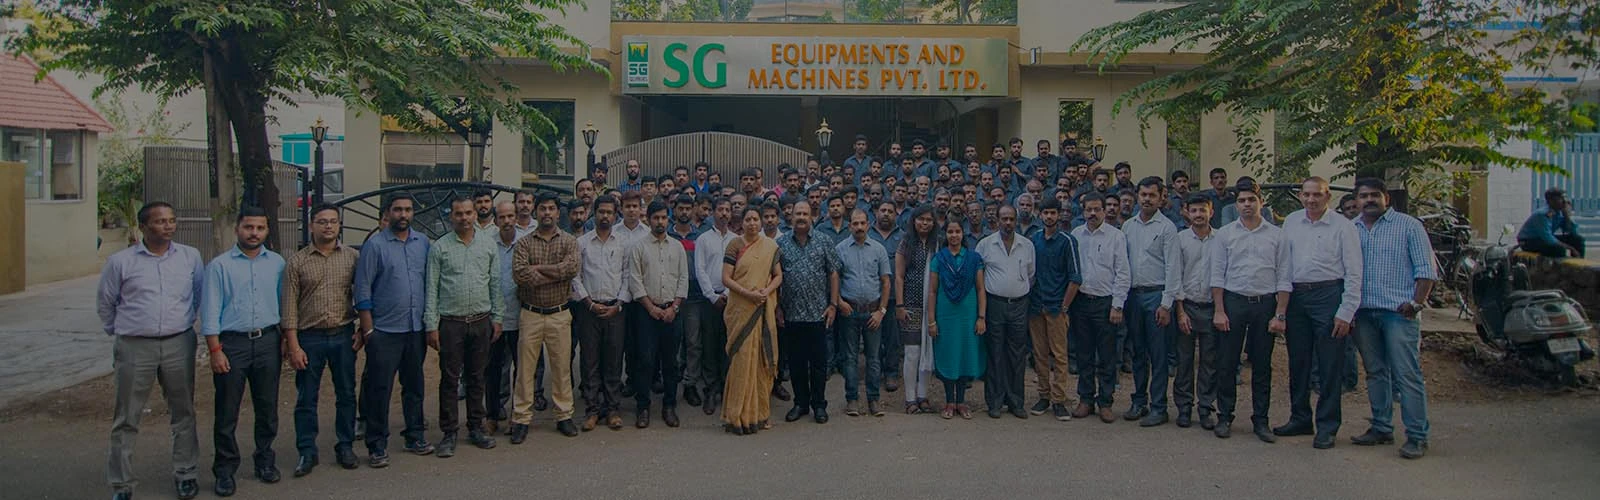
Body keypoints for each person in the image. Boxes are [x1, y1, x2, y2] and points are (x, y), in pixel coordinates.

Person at [100, 201, 205, 500]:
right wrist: (124, 331)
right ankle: (122, 484)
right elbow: (106, 303)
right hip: (135, 346)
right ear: (144, 226)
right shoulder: (121, 262)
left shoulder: (190, 257)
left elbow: (197, 295)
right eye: (160, 221)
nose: (168, 226)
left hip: (178, 343)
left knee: (183, 411)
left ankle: (186, 473)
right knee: (127, 416)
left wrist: (182, 324)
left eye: (171, 220)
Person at [199, 206, 285, 496]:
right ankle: (225, 470)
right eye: (249, 227)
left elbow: (283, 303)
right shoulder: (220, 266)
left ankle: (265, 460)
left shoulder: (277, 263)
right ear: (237, 228)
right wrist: (215, 350)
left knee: (267, 407)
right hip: (232, 344)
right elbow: (210, 310)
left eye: (260, 228)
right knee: (227, 410)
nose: (254, 233)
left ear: (267, 230)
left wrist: (285, 339)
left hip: (268, 341)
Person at [1350, 177, 1437, 459]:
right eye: (1364, 196)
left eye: (1375, 195)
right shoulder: (1351, 229)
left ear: (1386, 198)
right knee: (1375, 372)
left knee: (1406, 374)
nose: (1369, 200)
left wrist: (1416, 303)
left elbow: (1426, 271)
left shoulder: (1409, 226)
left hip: (1398, 313)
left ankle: (1417, 436)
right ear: (1357, 200)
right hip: (1363, 312)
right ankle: (1381, 427)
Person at [1276, 177, 1364, 449]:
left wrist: (1346, 311)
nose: (1311, 200)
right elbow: (1284, 264)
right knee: (1298, 362)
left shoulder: (1343, 226)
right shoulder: (1291, 222)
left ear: (1328, 197)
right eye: (1306, 195)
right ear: (1300, 196)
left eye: (1317, 195)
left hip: (1329, 295)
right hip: (1297, 296)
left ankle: (1327, 426)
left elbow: (1354, 271)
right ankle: (1300, 418)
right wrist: (1282, 306)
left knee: (1329, 364)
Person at [1209, 179, 1292, 443]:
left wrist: (1280, 314)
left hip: (1264, 304)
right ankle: (1225, 416)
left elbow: (1284, 276)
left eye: (1251, 200)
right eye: (1242, 201)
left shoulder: (1276, 235)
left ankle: (1261, 420)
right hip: (1233, 302)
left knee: (1262, 364)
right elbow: (1217, 274)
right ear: (1236, 205)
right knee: (1227, 362)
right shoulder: (1225, 234)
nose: (1247, 205)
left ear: (1261, 202)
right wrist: (1219, 310)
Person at [355, 193, 434, 466]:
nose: (403, 214)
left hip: (415, 328)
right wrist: (368, 330)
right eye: (398, 210)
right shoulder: (375, 246)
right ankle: (377, 444)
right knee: (380, 389)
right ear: (388, 213)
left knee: (414, 386)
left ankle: (415, 436)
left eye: (408, 210)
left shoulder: (422, 243)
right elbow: (362, 288)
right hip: (384, 331)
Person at [283, 204, 361, 476]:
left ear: (339, 225)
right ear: (311, 225)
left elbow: (362, 295)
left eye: (333, 221)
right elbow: (289, 307)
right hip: (309, 338)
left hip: (343, 335)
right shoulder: (297, 261)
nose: (328, 226)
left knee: (347, 393)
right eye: (322, 221)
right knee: (306, 397)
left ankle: (345, 445)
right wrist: (293, 345)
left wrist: (361, 330)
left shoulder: (352, 257)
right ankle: (307, 451)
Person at [424, 198, 503, 457]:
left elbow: (495, 284)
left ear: (475, 215)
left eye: (468, 213)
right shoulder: (440, 247)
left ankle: (476, 427)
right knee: (449, 379)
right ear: (452, 217)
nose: (464, 218)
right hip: (451, 323)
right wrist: (431, 325)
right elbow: (432, 288)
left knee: (477, 377)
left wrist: (498, 318)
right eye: (459, 214)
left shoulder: (488, 245)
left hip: (481, 320)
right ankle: (449, 432)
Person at [509, 192, 583, 441]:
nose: (547, 213)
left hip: (559, 313)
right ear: (536, 212)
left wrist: (539, 269)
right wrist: (556, 273)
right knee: (525, 370)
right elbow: (521, 275)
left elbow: (571, 269)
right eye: (543, 209)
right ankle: (521, 418)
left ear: (558, 212)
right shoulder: (524, 243)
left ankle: (564, 415)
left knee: (561, 368)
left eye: (551, 208)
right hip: (530, 313)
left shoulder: (569, 241)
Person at [721, 207, 785, 435]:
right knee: (741, 361)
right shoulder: (734, 245)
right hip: (741, 309)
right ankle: (736, 416)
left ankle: (759, 414)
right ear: (742, 223)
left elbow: (778, 276)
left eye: (755, 219)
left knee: (761, 361)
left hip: (762, 307)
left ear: (761, 222)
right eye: (748, 219)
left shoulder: (770, 246)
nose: (752, 223)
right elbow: (726, 278)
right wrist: (748, 294)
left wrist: (766, 291)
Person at [1122, 176, 1180, 427]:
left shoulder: (1167, 228)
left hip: (1157, 295)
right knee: (1138, 352)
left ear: (1161, 198)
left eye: (1152, 195)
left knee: (1158, 355)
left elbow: (1173, 268)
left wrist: (1166, 304)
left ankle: (1159, 406)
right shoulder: (1128, 226)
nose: (1147, 199)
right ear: (1137, 196)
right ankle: (1139, 401)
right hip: (1133, 296)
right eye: (1143, 195)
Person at [626, 201, 690, 428]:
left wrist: (674, 308)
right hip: (647, 313)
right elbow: (635, 281)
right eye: (656, 218)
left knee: (671, 363)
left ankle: (669, 406)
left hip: (672, 312)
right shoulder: (639, 247)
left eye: (663, 217)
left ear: (668, 219)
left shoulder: (677, 247)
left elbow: (683, 279)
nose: (660, 222)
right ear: (648, 219)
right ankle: (643, 407)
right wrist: (651, 308)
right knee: (645, 361)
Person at [573, 194, 633, 432]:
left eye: (609, 212)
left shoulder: (623, 244)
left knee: (613, 361)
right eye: (601, 212)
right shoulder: (582, 243)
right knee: (589, 361)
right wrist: (588, 303)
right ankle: (592, 410)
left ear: (615, 215)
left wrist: (618, 304)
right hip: (589, 309)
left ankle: (613, 410)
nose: (605, 216)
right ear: (594, 214)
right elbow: (575, 277)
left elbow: (627, 276)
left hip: (615, 310)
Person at [776, 200, 839, 423]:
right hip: (791, 314)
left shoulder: (824, 241)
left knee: (819, 364)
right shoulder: (781, 244)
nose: (801, 217)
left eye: (805, 213)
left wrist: (833, 304)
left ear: (812, 216)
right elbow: (775, 277)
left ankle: (819, 405)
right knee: (796, 363)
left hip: (818, 314)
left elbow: (833, 273)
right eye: (797, 213)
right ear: (791, 217)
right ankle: (800, 403)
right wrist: (778, 308)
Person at [1070, 193, 1130, 423]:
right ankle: (1085, 399)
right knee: (1083, 354)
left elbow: (1123, 272)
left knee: (1107, 356)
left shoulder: (1116, 236)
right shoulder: (1076, 235)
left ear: (1105, 211)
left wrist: (1118, 305)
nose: (1093, 213)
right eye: (1089, 210)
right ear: (1083, 211)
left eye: (1097, 209)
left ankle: (1105, 402)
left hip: (1106, 303)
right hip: (1081, 302)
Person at [975, 205, 1035, 419]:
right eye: (1004, 219)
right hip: (995, 304)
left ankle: (1016, 402)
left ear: (1016, 221)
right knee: (995, 353)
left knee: (1017, 354)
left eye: (1011, 219)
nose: (1007, 223)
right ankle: (995, 401)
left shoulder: (1027, 245)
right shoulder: (985, 245)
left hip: (1019, 305)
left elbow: (1031, 274)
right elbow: (979, 276)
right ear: (997, 220)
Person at [832, 208, 893, 418]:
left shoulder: (878, 249)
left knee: (873, 358)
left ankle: (873, 399)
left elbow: (886, 282)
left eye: (862, 223)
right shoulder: (840, 249)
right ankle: (852, 399)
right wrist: (839, 303)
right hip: (849, 311)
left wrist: (881, 311)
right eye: (855, 223)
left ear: (868, 225)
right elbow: (833, 279)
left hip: (873, 312)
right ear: (849, 226)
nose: (859, 227)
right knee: (850, 357)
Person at [1027, 198, 1082, 422]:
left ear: (1059, 215)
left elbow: (1075, 278)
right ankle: (1043, 395)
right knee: (1039, 354)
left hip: (1056, 307)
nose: (1049, 217)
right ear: (1039, 214)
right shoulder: (1034, 240)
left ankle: (1059, 399)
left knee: (1059, 355)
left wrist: (1064, 306)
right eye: (1045, 213)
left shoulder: (1068, 241)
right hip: (1035, 305)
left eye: (1053, 213)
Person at [928, 219, 988, 419]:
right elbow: (932, 291)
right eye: (950, 232)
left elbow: (980, 289)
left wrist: (981, 317)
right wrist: (931, 320)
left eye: (957, 231)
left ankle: (961, 401)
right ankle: (949, 401)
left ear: (963, 234)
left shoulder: (974, 258)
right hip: (945, 316)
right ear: (945, 235)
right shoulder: (939, 259)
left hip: (968, 316)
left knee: (965, 355)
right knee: (948, 355)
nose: (954, 235)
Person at [1170, 194, 1219, 430]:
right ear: (1187, 213)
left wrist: (1220, 310)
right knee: (1184, 360)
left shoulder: (1221, 239)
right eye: (1194, 210)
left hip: (1212, 307)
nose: (1199, 215)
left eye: (1203, 210)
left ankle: (1206, 408)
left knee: (1210, 361)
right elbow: (1175, 276)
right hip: (1186, 305)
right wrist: (1180, 312)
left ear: (1211, 212)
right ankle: (1184, 407)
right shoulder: (1180, 240)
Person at [694, 197, 740, 415]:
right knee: (709, 345)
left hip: (732, 299)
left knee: (728, 344)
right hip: (709, 300)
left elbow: (739, 270)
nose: (724, 213)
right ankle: (711, 389)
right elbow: (700, 269)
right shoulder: (703, 239)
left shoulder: (737, 240)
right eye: (720, 209)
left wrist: (728, 293)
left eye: (727, 210)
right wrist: (712, 296)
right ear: (713, 212)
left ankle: (727, 387)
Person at [488, 201, 528, 435]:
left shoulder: (526, 243)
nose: (506, 221)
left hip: (521, 316)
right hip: (494, 319)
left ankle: (518, 415)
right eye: (502, 217)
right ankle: (492, 415)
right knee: (493, 370)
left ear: (516, 217)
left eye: (510, 216)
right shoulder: (487, 244)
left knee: (521, 370)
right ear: (495, 220)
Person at [896, 206, 940, 415]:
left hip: (932, 306)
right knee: (912, 353)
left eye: (929, 220)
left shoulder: (937, 244)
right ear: (914, 221)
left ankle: (923, 396)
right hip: (911, 305)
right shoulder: (906, 243)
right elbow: (899, 276)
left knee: (927, 351)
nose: (925, 223)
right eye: (921, 219)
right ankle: (910, 399)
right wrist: (900, 305)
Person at [669, 195, 711, 409]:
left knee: (693, 342)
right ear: (674, 209)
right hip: (669, 295)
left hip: (694, 296)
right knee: (672, 342)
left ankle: (690, 383)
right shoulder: (667, 234)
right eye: (681, 208)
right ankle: (670, 380)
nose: (684, 212)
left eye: (688, 208)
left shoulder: (701, 236)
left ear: (694, 209)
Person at [868, 201, 906, 393]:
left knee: (893, 338)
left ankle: (891, 373)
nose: (886, 214)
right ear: (876, 213)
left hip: (893, 298)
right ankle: (874, 373)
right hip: (872, 297)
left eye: (890, 211)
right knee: (872, 337)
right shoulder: (867, 234)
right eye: (882, 210)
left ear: (895, 215)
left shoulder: (903, 237)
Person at [1518, 187, 1586, 258]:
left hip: (1543, 239)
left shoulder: (1560, 212)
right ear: (1551, 201)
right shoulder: (1543, 214)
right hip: (1528, 241)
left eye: (1565, 198)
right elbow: (1548, 238)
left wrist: (1567, 217)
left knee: (1578, 240)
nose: (1565, 201)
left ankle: (1579, 262)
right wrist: (1571, 248)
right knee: (1558, 249)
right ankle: (1560, 265)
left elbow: (1572, 232)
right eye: (1561, 198)